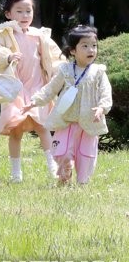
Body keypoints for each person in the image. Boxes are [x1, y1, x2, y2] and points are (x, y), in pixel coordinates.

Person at [0, 0, 62, 182]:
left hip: (37, 86)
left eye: (28, 11)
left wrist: (59, 71)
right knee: (16, 130)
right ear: (8, 14)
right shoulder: (2, 34)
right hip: (16, 89)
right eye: (19, 11)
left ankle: (53, 167)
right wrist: (8, 56)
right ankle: (16, 173)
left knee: (43, 126)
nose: (25, 15)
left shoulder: (40, 36)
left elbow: (55, 57)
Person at [23, 25, 112, 186]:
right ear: (73, 51)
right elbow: (50, 89)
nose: (91, 49)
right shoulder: (65, 70)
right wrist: (34, 101)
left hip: (89, 122)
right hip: (66, 121)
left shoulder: (99, 72)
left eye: (94, 45)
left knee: (86, 154)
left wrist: (101, 108)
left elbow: (106, 93)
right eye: (85, 46)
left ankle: (82, 182)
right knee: (62, 151)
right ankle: (65, 171)